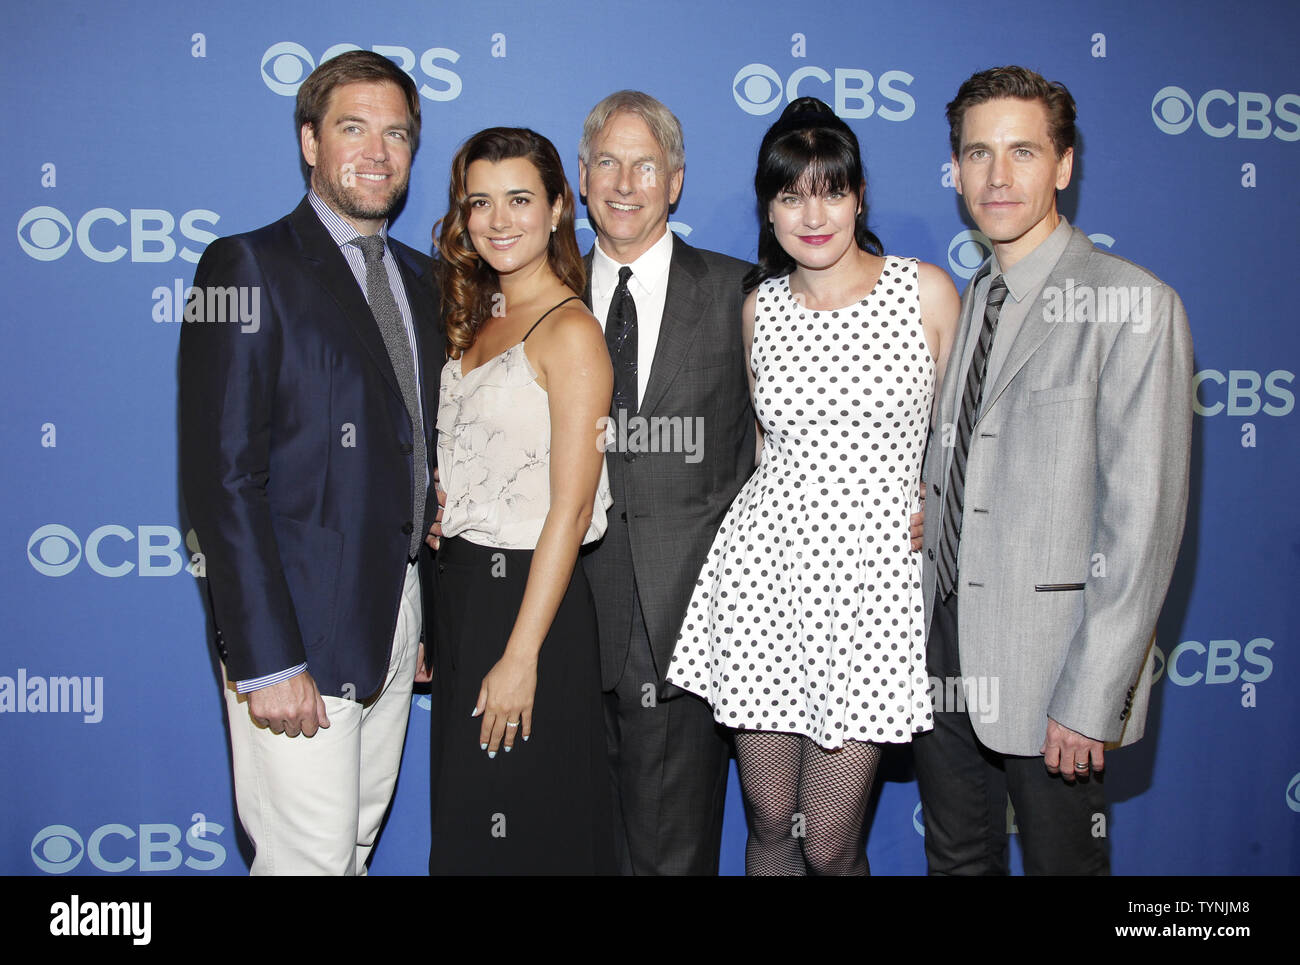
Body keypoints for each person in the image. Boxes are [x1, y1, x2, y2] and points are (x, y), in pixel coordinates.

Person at [667, 96, 960, 875]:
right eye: (791, 194)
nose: (813, 212)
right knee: (769, 819)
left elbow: (967, 436)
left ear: (860, 195)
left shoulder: (923, 291)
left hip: (872, 585)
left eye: (831, 189)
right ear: (770, 210)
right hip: (767, 577)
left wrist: (942, 499)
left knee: (828, 841)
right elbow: (763, 448)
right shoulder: (759, 308)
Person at [913, 66, 1193, 875]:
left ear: (1064, 165)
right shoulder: (975, 295)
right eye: (977, 154)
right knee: (957, 858)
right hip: (944, 650)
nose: (997, 177)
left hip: (1054, 666)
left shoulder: (1134, 305)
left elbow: (1142, 527)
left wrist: (1093, 694)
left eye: (1023, 152)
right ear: (957, 170)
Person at [178, 50, 441, 875]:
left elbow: (414, 455)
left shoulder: (424, 281)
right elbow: (220, 478)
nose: (376, 152)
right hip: (296, 630)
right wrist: (266, 657)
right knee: (306, 860)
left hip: (393, 617)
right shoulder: (248, 266)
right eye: (352, 128)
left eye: (396, 133)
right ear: (308, 142)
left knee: (350, 847)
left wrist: (421, 614)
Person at [575, 91, 755, 875]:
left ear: (674, 181)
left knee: (671, 858)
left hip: (685, 626)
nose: (625, 182)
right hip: (558, 622)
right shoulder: (528, 294)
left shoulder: (742, 293)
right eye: (607, 162)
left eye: (644, 164)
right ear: (581, 177)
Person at [427, 127, 615, 874]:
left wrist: (521, 653)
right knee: (473, 827)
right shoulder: (477, 315)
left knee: (530, 826)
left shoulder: (570, 331)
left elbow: (570, 509)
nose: (498, 221)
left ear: (559, 208)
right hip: (464, 595)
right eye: (480, 202)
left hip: (533, 608)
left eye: (519, 200)